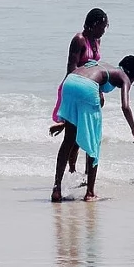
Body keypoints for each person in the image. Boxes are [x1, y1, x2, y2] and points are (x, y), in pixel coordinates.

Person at [51, 55, 134, 202]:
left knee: (68, 140)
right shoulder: (124, 77)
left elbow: (87, 90)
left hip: (69, 82)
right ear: (133, 76)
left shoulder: (105, 67)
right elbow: (125, 106)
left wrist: (66, 122)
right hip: (86, 86)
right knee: (94, 142)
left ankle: (56, 189)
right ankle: (90, 193)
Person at [51, 9, 109, 173]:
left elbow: (95, 68)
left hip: (89, 90)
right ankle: (69, 172)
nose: (104, 31)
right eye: (103, 27)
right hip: (74, 89)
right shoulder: (79, 40)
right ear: (95, 24)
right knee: (71, 138)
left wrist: (99, 91)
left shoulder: (97, 41)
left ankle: (77, 172)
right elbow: (71, 68)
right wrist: (87, 87)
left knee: (82, 136)